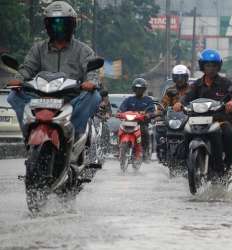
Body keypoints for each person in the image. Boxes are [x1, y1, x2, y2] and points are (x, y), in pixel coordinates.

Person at [7, 1, 101, 138]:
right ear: (47, 26)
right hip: (41, 96)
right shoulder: (38, 49)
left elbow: (91, 71)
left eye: (63, 23)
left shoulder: (83, 50)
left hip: (71, 97)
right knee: (13, 95)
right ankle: (28, 131)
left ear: (72, 25)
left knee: (95, 96)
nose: (59, 27)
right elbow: (27, 68)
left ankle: (75, 132)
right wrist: (18, 79)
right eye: (54, 23)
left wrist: (91, 82)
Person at [173, 49, 232, 174]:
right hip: (198, 119)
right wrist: (180, 103)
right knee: (184, 130)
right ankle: (185, 161)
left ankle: (230, 162)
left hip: (220, 120)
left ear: (218, 66)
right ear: (202, 66)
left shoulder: (226, 83)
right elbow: (187, 96)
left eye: (214, 65)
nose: (211, 68)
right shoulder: (196, 84)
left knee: (229, 134)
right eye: (208, 65)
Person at [156, 64, 190, 161]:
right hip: (172, 119)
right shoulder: (170, 90)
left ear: (186, 77)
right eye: (177, 77)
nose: (179, 80)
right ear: (174, 78)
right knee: (159, 131)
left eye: (182, 77)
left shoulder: (192, 90)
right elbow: (163, 103)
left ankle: (192, 154)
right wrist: (158, 112)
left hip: (188, 119)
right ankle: (161, 153)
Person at [119, 78, 155, 160]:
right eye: (137, 88)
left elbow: (152, 111)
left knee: (145, 132)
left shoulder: (148, 100)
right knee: (120, 130)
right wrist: (119, 113)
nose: (138, 90)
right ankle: (120, 149)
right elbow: (121, 108)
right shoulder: (129, 100)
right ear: (134, 89)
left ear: (144, 89)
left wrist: (148, 115)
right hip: (128, 123)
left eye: (140, 89)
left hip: (142, 123)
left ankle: (145, 152)